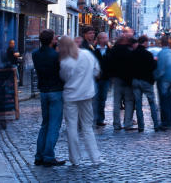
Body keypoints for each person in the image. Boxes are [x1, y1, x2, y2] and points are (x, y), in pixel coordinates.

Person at [58, 36, 101, 166]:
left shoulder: (65, 61)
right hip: (87, 94)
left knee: (72, 127)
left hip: (71, 95)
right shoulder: (87, 54)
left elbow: (64, 77)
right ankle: (95, 157)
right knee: (88, 127)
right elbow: (96, 71)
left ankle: (75, 159)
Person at [31, 29, 67, 167]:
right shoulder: (56, 55)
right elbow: (62, 72)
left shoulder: (35, 54)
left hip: (43, 91)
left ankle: (39, 156)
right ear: (52, 40)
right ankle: (48, 156)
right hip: (56, 91)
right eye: (54, 37)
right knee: (54, 125)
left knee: (45, 124)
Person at [131, 35, 161, 131]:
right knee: (152, 103)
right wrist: (155, 62)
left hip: (135, 80)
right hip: (146, 81)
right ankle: (156, 124)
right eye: (147, 42)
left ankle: (141, 126)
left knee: (138, 104)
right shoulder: (148, 54)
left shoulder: (133, 53)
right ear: (144, 42)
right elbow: (152, 67)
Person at [108, 33, 135, 130]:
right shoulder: (130, 50)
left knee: (116, 102)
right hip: (128, 79)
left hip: (117, 78)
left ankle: (116, 124)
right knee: (129, 101)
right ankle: (127, 123)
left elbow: (109, 63)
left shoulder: (114, 50)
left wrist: (111, 76)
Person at [155, 34, 171, 129]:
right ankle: (168, 121)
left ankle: (165, 122)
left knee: (163, 101)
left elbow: (161, 68)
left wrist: (156, 77)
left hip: (164, 79)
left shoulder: (161, 53)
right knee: (169, 100)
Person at [92, 31, 112, 127]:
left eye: (105, 38)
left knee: (103, 99)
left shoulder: (110, 50)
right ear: (98, 39)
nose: (104, 40)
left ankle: (100, 119)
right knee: (95, 99)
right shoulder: (94, 50)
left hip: (106, 78)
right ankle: (95, 118)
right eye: (102, 38)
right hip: (95, 78)